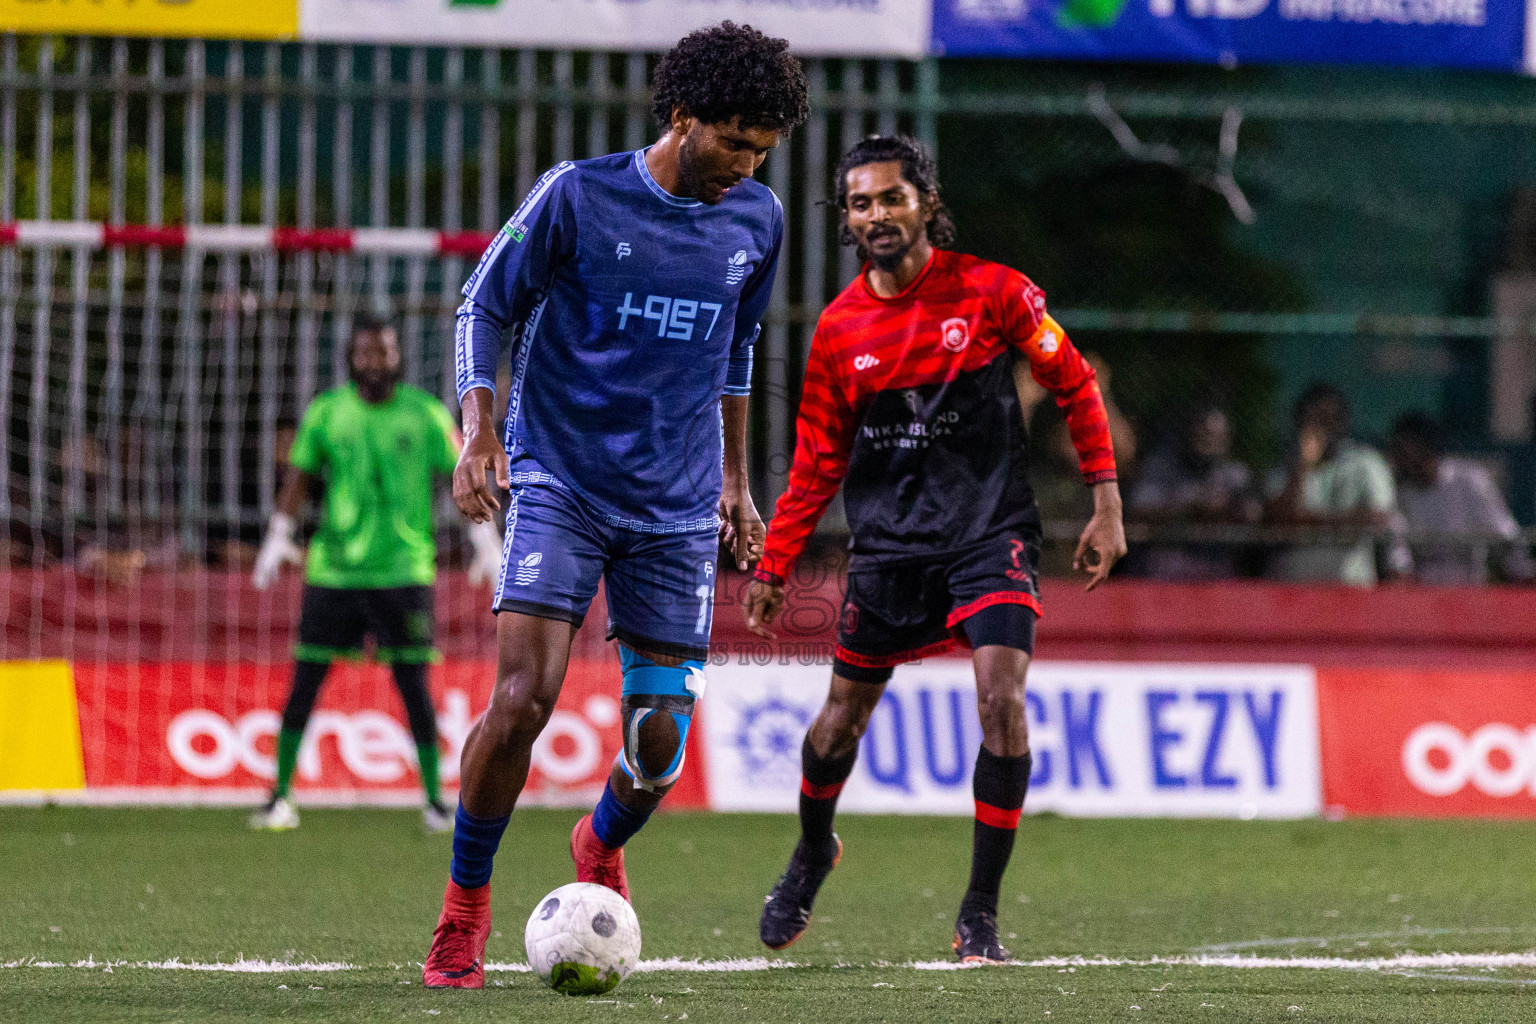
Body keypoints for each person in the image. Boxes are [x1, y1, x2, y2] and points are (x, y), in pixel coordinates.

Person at [422, 23, 806, 989]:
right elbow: (482, 306)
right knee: (525, 700)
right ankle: (464, 910)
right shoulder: (580, 193)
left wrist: (734, 479)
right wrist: (479, 430)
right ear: (681, 114)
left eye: (761, 149)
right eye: (732, 140)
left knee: (658, 746)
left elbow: (735, 351)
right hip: (560, 477)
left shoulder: (756, 219)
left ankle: (597, 845)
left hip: (676, 506)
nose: (745, 164)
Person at [741, 136, 1126, 965]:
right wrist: (774, 566)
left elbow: (1073, 381)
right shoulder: (841, 331)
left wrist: (1105, 499)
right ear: (847, 220)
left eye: (890, 198)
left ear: (926, 202)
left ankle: (980, 911)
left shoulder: (995, 293)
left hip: (990, 535)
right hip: (889, 551)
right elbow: (814, 462)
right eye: (860, 203)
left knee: (1001, 701)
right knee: (840, 722)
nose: (876, 214)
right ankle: (813, 848)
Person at [247, 316, 503, 833]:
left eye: (383, 352)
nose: (375, 362)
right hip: (334, 571)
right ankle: (277, 797)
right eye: (366, 353)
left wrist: (485, 542)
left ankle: (435, 802)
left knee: (414, 688)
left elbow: (464, 477)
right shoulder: (327, 412)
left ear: (397, 355)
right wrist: (278, 535)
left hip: (404, 573)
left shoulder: (426, 415)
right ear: (350, 357)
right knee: (305, 685)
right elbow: (299, 478)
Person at [1264, 383, 1404, 587]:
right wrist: (1302, 466)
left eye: (1327, 419)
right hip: (1293, 592)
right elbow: (1280, 519)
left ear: (1342, 422)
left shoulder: (1367, 462)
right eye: (1310, 420)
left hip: (1350, 589)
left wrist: (1307, 521)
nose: (1318, 428)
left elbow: (1377, 517)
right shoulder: (1284, 469)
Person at [1388, 412, 1535, 586]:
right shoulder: (1400, 494)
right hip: (1422, 599)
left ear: (1425, 446)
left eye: (1404, 448)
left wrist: (1525, 575)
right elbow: (1398, 553)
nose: (1398, 457)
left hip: (1469, 594)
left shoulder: (1468, 480)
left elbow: (1504, 534)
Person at [1128, 403, 1259, 580]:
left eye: (1217, 436)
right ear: (1190, 432)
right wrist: (1191, 506)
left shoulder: (1235, 474)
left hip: (1217, 568)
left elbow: (1254, 513)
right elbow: (1139, 508)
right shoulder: (1162, 467)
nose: (1209, 441)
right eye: (1203, 433)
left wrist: (1227, 509)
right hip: (1168, 564)